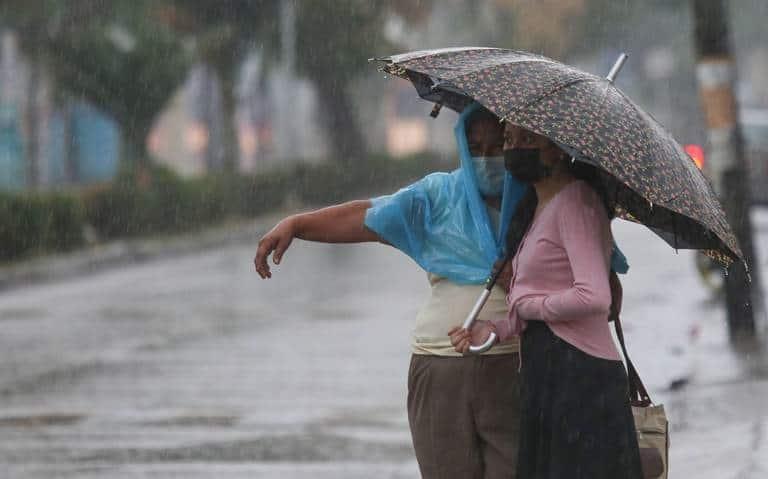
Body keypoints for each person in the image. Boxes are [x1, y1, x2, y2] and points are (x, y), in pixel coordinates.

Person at [255, 103, 528, 478]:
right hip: (438, 366)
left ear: (514, 144)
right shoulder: (438, 196)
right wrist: (298, 224)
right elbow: (369, 217)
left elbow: (590, 285)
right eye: (475, 147)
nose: (485, 158)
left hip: (513, 363)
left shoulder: (538, 201)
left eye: (496, 146)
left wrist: (518, 278)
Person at [450, 122, 643, 478]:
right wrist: (493, 329)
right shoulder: (535, 208)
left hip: (581, 375)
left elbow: (595, 296)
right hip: (548, 375)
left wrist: (529, 306)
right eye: (509, 139)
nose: (514, 148)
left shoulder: (576, 201)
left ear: (557, 148)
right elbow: (535, 297)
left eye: (528, 140)